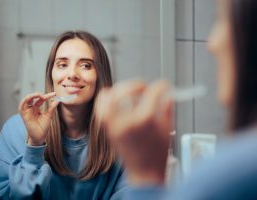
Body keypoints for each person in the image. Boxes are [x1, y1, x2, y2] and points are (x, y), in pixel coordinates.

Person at [97, 0, 257, 199]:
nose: (212, 43)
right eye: (62, 64)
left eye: (223, 20)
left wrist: (144, 175)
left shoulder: (233, 175)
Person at [0, 31, 128, 199]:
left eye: (86, 65)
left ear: (100, 76)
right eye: (62, 65)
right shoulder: (15, 131)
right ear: (52, 74)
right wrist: (34, 146)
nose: (72, 74)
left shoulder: (124, 136)